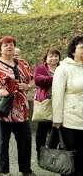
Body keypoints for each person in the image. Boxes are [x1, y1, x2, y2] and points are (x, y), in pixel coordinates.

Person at [0, 35, 35, 176]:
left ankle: (25, 170)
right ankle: (4, 172)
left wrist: (28, 85)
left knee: (25, 141)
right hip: (2, 109)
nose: (9, 47)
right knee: (2, 142)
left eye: (11, 44)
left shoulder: (23, 63)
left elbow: (33, 81)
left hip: (22, 110)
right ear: (0, 49)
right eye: (6, 45)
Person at [52, 36, 83, 176]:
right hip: (71, 120)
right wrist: (57, 119)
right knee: (70, 157)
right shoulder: (63, 68)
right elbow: (57, 96)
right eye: (82, 47)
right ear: (73, 51)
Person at [33, 49, 60, 161]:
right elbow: (38, 80)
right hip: (45, 102)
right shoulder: (41, 68)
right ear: (46, 58)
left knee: (56, 131)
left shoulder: (62, 68)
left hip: (59, 103)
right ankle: (40, 153)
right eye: (51, 56)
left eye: (56, 56)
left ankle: (52, 153)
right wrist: (56, 79)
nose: (53, 58)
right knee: (42, 131)